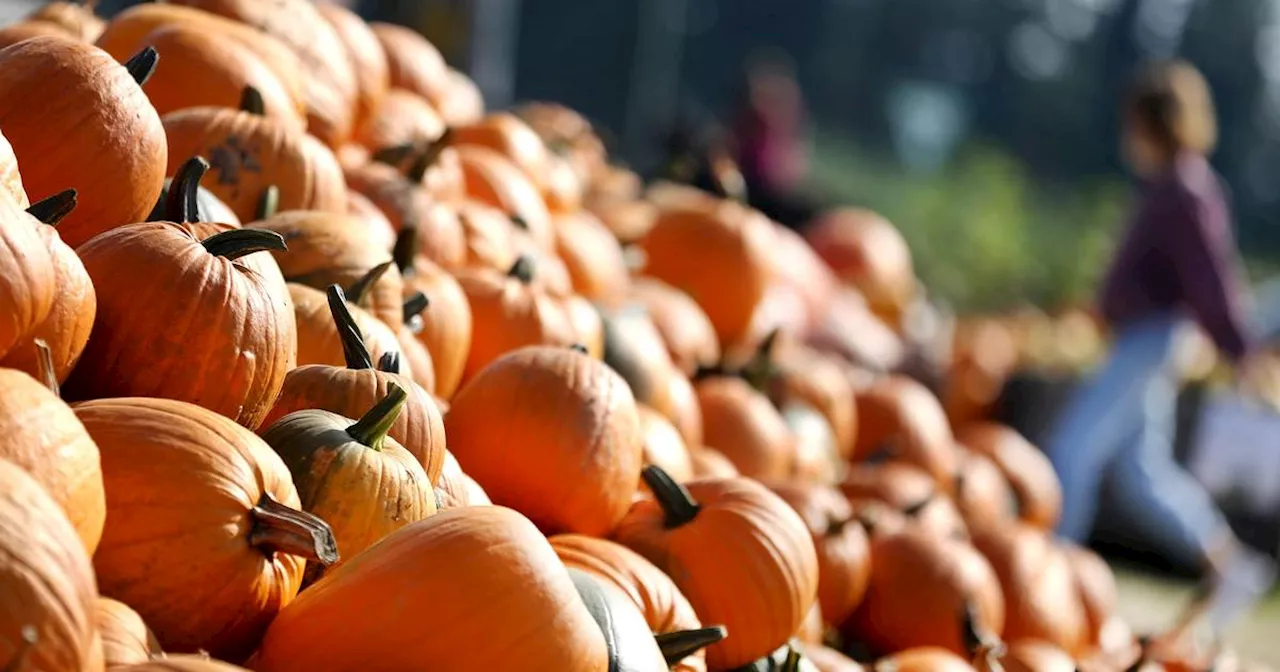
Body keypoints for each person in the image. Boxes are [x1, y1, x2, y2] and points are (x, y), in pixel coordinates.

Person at [1046, 61, 1275, 590]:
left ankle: (1049, 572)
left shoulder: (1188, 192)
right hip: (1141, 335)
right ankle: (1228, 565)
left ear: (1155, 124)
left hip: (1151, 340)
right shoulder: (1169, 187)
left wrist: (1239, 349)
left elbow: (1210, 280)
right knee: (1141, 474)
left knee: (1071, 450)